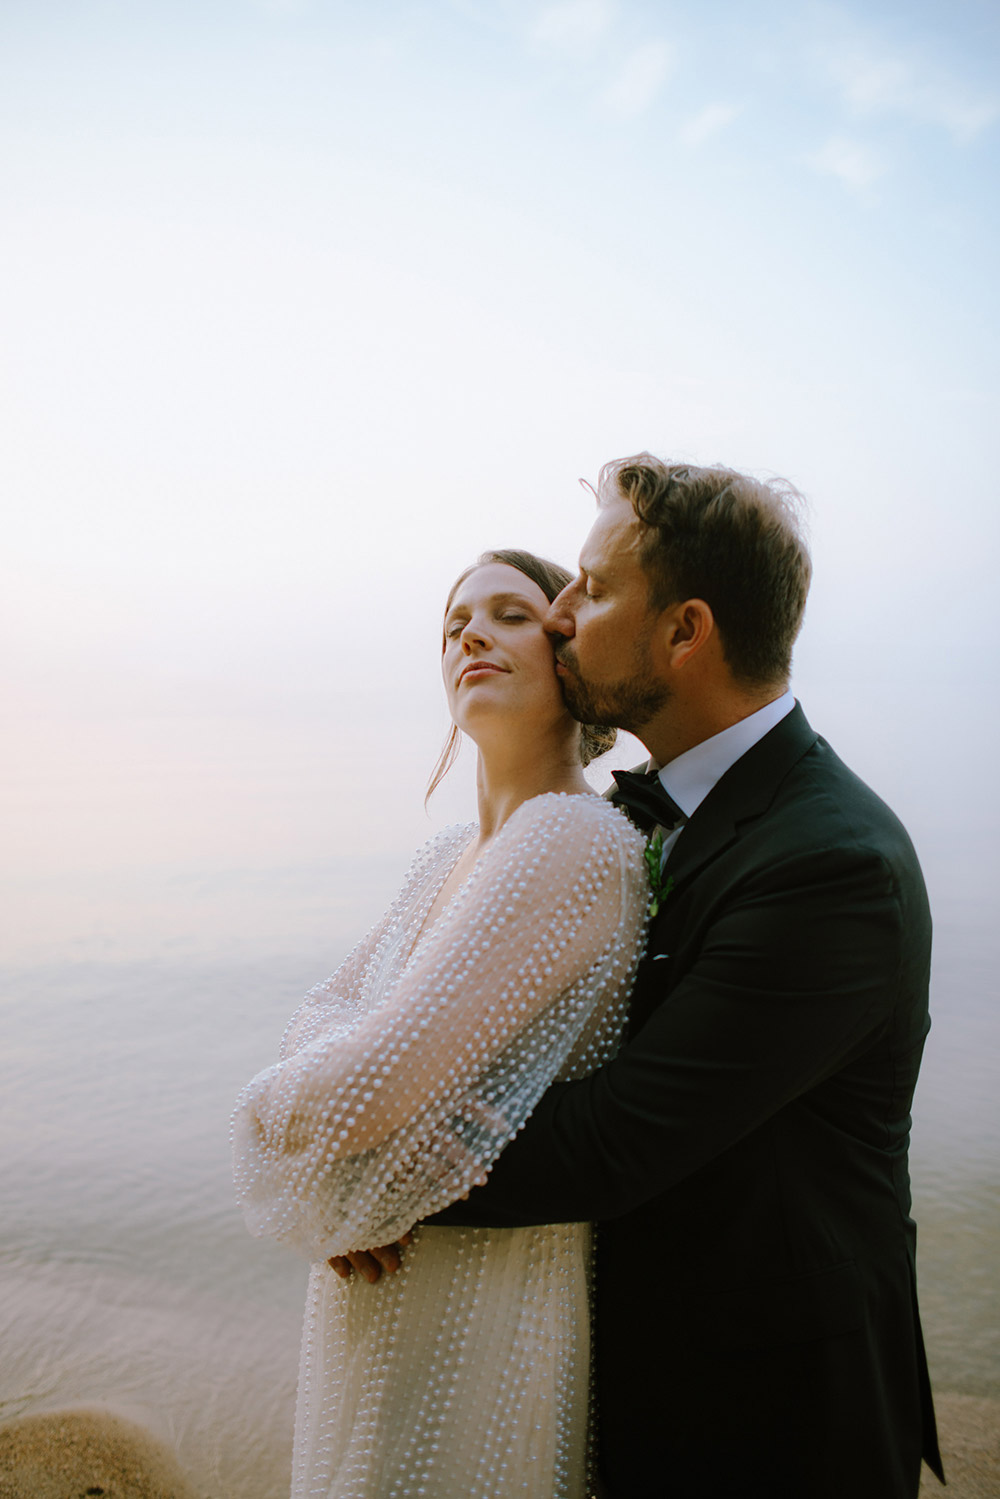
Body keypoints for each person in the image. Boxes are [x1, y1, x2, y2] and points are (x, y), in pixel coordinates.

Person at [350, 455, 944, 1498]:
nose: (564, 614)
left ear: (685, 630)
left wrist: (371, 1181)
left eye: (594, 585)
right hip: (633, 1374)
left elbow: (617, 1135)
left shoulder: (831, 861)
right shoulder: (619, 825)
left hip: (777, 1417)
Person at [231, 549, 650, 1499]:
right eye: (456, 623)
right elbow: (323, 1017)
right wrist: (340, 1179)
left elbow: (359, 1087)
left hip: (478, 1302)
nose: (471, 634)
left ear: (569, 655)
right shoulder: (444, 857)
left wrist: (293, 1138)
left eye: (510, 613)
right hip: (380, 1283)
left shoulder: (574, 838)